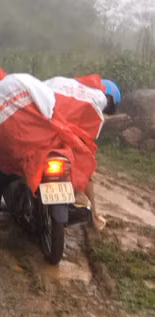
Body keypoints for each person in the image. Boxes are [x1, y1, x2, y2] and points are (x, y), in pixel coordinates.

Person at [0, 48, 98, 248]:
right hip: (48, 147)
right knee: (69, 160)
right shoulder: (21, 79)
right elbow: (49, 104)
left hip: (14, 160)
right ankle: (78, 200)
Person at [44, 76, 122, 230]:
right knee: (85, 167)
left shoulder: (62, 84)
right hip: (60, 143)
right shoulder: (94, 110)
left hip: (44, 135)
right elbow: (86, 147)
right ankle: (93, 216)